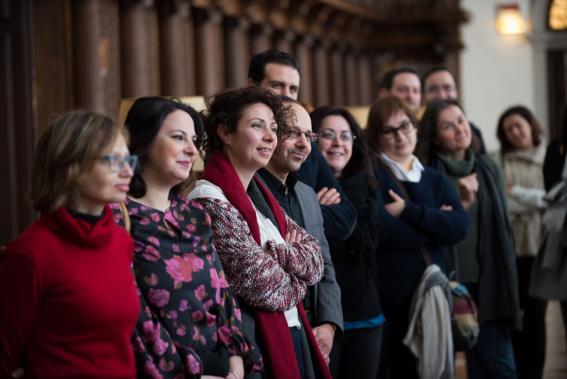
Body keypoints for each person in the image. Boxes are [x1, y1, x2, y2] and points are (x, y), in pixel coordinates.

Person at [189, 87, 331, 379]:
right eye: (257, 126)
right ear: (226, 132)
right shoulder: (208, 198)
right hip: (255, 348)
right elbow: (263, 287)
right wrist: (295, 268)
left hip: (292, 333)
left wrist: (274, 254)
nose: (270, 137)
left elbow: (315, 261)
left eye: (274, 128)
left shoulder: (260, 197)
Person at [115, 97, 260, 379]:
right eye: (178, 137)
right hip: (163, 370)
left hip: (221, 366)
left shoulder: (193, 213)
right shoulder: (117, 217)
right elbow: (134, 316)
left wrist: (235, 362)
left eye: (193, 139)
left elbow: (222, 294)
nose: (191, 149)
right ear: (142, 141)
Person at [0, 111, 139, 378]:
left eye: (128, 159)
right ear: (71, 166)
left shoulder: (121, 240)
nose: (128, 171)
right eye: (113, 161)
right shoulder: (30, 253)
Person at [417, 99, 521, 379]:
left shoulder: (488, 167)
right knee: (442, 370)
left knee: (501, 369)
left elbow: (503, 230)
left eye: (461, 121)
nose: (460, 129)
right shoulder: (427, 174)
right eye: (448, 126)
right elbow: (430, 231)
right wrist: (461, 204)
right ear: (435, 137)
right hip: (446, 284)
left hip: (489, 285)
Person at [365, 96, 469, 378]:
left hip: (431, 295)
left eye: (405, 125)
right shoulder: (372, 175)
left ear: (415, 126)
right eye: (389, 130)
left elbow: (459, 227)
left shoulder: (434, 177)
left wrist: (408, 211)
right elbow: (382, 229)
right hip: (391, 301)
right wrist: (436, 225)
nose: (400, 135)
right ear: (377, 137)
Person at [257, 99, 343, 366]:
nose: (304, 145)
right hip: (272, 334)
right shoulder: (247, 193)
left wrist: (329, 324)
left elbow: (326, 264)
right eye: (293, 133)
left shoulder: (307, 194)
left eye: (308, 135)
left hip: (316, 330)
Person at [248, 49, 356, 241]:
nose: (286, 95)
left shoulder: (305, 141)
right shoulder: (246, 141)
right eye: (276, 86)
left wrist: (307, 209)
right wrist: (312, 208)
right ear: (252, 87)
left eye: (293, 89)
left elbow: (346, 217)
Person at [311, 105, 384, 379]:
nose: (338, 143)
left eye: (346, 135)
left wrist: (328, 215)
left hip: (365, 315)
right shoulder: (299, 190)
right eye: (328, 135)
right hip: (321, 319)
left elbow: (367, 243)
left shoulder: (368, 186)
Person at [494, 105, 547, 379]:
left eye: (518, 125)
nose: (514, 132)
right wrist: (536, 201)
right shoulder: (500, 160)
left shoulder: (551, 155)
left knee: (538, 317)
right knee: (520, 317)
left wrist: (518, 193)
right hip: (514, 248)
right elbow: (501, 204)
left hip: (544, 246)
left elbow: (552, 200)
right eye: (508, 130)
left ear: (530, 124)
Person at [421, 65, 486, 154]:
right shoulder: (412, 135)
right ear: (423, 97)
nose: (442, 95)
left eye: (447, 88)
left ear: (456, 92)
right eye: (433, 89)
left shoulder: (473, 132)